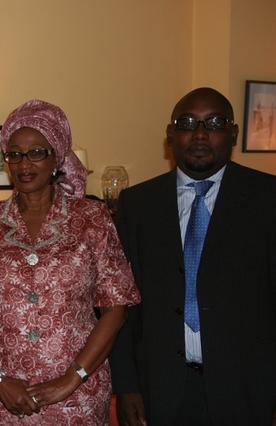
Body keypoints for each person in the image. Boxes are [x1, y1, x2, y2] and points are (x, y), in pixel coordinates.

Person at [0, 99, 141, 425]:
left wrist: (71, 378)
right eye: (15, 154)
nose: (25, 164)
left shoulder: (91, 218)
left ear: (57, 157)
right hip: (2, 397)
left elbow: (116, 307)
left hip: (77, 395)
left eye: (37, 152)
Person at [109, 87, 276, 426]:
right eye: (188, 123)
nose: (200, 133)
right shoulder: (136, 205)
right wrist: (126, 385)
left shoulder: (268, 198)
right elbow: (121, 304)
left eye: (214, 123)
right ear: (171, 135)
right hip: (162, 389)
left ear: (233, 132)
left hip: (248, 390)